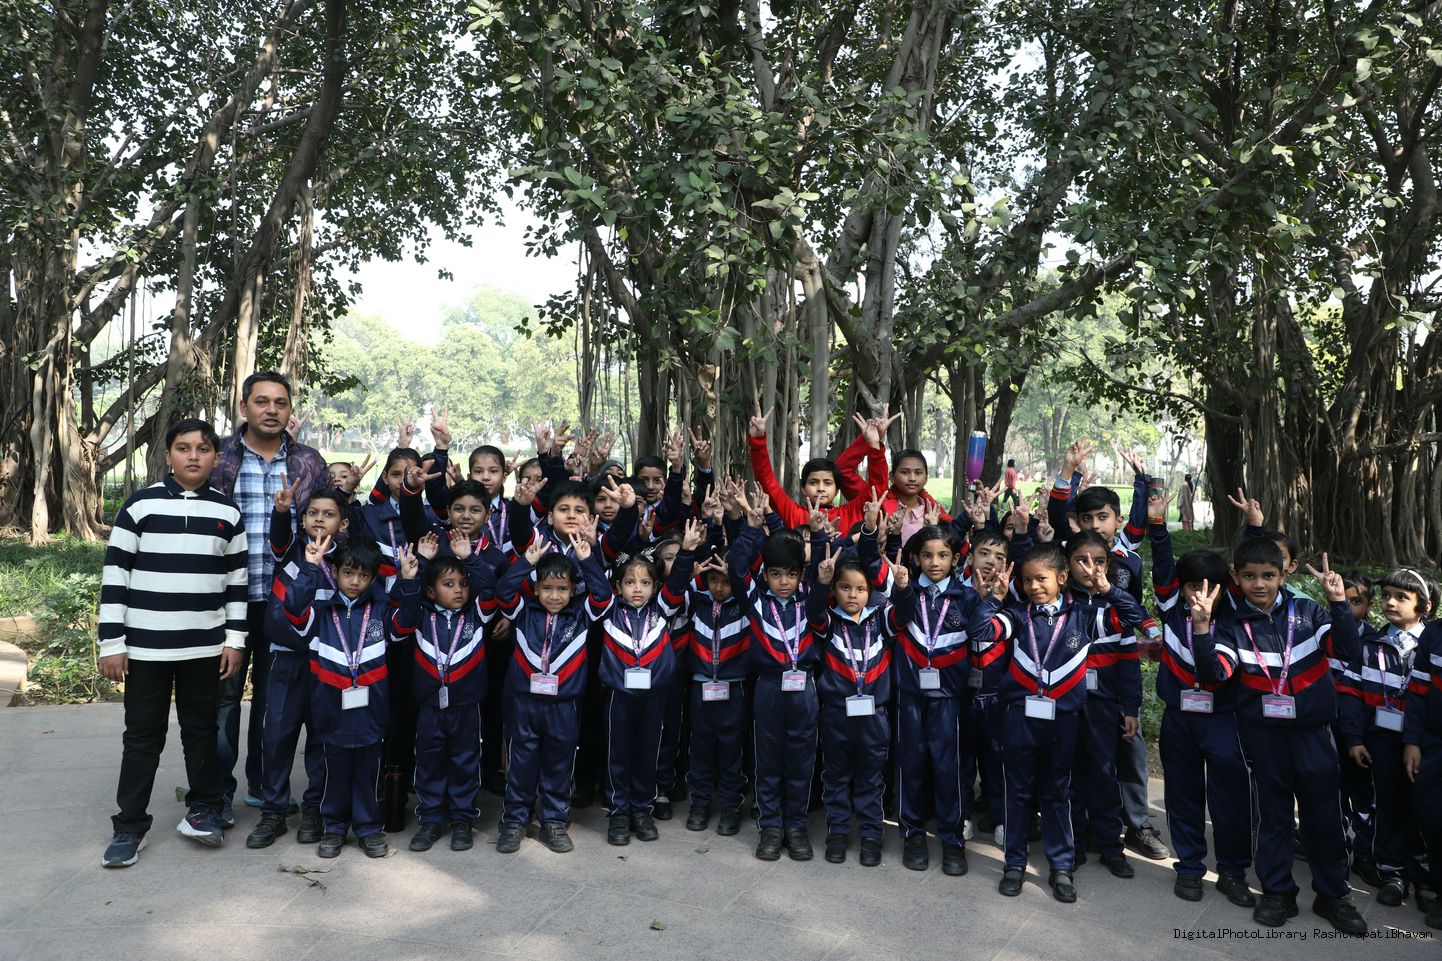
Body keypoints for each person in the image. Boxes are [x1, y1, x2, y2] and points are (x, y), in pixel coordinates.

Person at [1196, 540, 1366, 933]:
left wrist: (1338, 603)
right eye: (1250, 576)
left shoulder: (1307, 612)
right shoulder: (1232, 624)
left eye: (1268, 576)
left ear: (1283, 575)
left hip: (1313, 734)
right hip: (1264, 736)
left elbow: (1347, 649)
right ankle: (1277, 892)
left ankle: (1333, 895)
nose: (1260, 584)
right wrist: (1202, 629)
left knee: (1323, 817)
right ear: (1236, 577)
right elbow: (1215, 674)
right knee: (1274, 817)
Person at [99, 419, 248, 868]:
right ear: (168, 456)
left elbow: (237, 585)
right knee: (142, 737)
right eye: (183, 448)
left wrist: (234, 640)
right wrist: (112, 643)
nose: (193, 456)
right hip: (146, 649)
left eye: (203, 448)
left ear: (216, 457)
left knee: (201, 733)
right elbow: (115, 575)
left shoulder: (228, 513)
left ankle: (203, 810)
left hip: (204, 649)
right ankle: (129, 826)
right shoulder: (140, 506)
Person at [969, 544, 1142, 903]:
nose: (1033, 587)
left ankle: (1061, 866)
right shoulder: (1017, 615)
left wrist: (1108, 590)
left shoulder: (1084, 615)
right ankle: (1014, 864)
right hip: (1019, 718)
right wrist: (995, 597)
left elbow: (1132, 616)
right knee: (1017, 793)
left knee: (1057, 793)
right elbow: (981, 629)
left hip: (1062, 720)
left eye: (1041, 579)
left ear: (1062, 578)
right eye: (1026, 580)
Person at [210, 371, 327, 824]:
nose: (272, 410)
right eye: (262, 401)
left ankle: (262, 785)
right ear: (244, 407)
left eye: (280, 402)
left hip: (284, 603)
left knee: (270, 699)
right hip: (229, 600)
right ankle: (216, 793)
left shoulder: (307, 462)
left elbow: (328, 520)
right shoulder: (219, 456)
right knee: (223, 698)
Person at [1047, 441, 1169, 862]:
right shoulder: (1071, 554)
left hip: (1116, 657)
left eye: (1103, 517)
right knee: (1079, 755)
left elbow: (1132, 613)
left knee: (1127, 748)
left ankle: (1135, 823)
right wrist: (1068, 473)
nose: (1096, 525)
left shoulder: (1128, 562)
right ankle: (1078, 831)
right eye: (1087, 518)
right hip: (1073, 662)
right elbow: (1055, 516)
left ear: (1117, 520)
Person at [1148, 503, 1256, 907]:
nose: (1199, 594)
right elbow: (1163, 565)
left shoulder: (1233, 618)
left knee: (1229, 798)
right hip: (1179, 718)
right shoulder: (1171, 607)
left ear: (1225, 587)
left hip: (1222, 720)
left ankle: (1232, 872)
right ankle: (1190, 868)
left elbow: (1215, 673)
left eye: (1209, 586)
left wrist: (1203, 626)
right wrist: (1157, 523)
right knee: (1182, 794)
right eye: (1192, 585)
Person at [276, 534, 408, 859]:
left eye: (364, 575)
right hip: (331, 712)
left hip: (371, 713)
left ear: (373, 578)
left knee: (367, 774)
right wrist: (309, 568)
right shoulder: (320, 614)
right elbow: (293, 608)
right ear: (335, 573)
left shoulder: (381, 612)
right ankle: (334, 827)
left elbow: (408, 622)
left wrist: (409, 581)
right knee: (333, 775)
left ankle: (368, 829)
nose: (355, 581)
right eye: (348, 573)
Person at [492, 523, 614, 854]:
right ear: (536, 588)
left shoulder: (582, 614)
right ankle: (515, 820)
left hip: (564, 705)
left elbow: (603, 596)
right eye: (547, 588)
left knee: (559, 765)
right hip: (525, 703)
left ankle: (554, 820)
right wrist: (526, 562)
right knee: (521, 763)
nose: (555, 596)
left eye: (562, 589)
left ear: (573, 590)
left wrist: (587, 560)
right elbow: (503, 592)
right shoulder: (523, 611)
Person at [245, 486, 353, 849]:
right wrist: (281, 512)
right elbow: (278, 538)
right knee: (276, 736)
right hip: (287, 659)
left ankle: (314, 811)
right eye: (313, 513)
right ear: (303, 520)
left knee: (321, 738)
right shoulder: (291, 549)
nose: (320, 519)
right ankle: (273, 812)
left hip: (327, 663)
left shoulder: (347, 561)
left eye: (329, 514)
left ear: (343, 524)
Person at [729, 489, 826, 862]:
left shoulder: (811, 599)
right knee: (768, 759)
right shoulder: (756, 601)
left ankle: (796, 826)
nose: (783, 581)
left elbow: (823, 569)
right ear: (765, 575)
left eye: (790, 574)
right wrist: (752, 529)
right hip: (769, 687)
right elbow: (737, 570)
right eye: (775, 574)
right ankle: (770, 826)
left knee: (801, 760)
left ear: (801, 574)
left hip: (804, 688)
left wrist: (818, 534)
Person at [811, 525, 915, 867]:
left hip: (874, 715)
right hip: (836, 713)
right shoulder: (829, 621)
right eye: (844, 588)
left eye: (860, 589)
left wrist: (903, 589)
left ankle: (871, 834)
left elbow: (905, 614)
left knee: (871, 777)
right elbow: (813, 611)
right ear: (835, 590)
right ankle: (838, 832)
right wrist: (821, 583)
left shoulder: (881, 620)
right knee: (836, 775)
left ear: (871, 591)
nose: (852, 595)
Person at [1338, 568, 1438, 907]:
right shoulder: (1369, 646)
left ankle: (1424, 877)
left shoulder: (1432, 647)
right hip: (1380, 740)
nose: (1390, 602)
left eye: (1401, 597)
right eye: (1386, 596)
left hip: (1423, 744)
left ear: (1425, 606)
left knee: (1423, 808)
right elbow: (1350, 695)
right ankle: (1392, 873)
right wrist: (1354, 738)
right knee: (1386, 804)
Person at [397, 531, 500, 853]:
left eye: (463, 584)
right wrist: (414, 572)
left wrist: (470, 558)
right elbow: (404, 607)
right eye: (449, 584)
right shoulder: (419, 616)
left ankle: (462, 819)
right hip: (430, 705)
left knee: (466, 761)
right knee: (429, 761)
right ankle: (430, 819)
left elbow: (490, 587)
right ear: (430, 590)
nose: (458, 590)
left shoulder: (477, 614)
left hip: (467, 705)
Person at [598, 523, 697, 844]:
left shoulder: (662, 609)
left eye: (644, 583)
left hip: (654, 696)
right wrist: (587, 556)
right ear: (618, 587)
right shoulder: (609, 610)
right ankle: (618, 811)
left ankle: (642, 808)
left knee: (647, 752)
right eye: (629, 583)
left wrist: (688, 551)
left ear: (655, 587)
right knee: (618, 753)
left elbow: (678, 582)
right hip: (619, 695)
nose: (637, 589)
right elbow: (596, 583)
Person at [889, 517, 977, 876]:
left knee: (948, 768)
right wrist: (902, 591)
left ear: (955, 559)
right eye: (927, 555)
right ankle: (912, 833)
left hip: (949, 697)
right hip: (911, 694)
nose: (935, 562)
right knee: (910, 764)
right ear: (916, 558)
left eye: (943, 555)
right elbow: (896, 621)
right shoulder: (906, 591)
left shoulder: (967, 597)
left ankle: (952, 838)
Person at [1066, 531, 1148, 880]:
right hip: (1065, 703)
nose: (1090, 568)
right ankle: (1074, 843)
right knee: (1070, 774)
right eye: (1081, 561)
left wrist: (1130, 708)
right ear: (1066, 565)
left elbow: (1129, 663)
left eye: (1099, 561)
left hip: (1103, 705)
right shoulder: (1059, 602)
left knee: (1103, 772)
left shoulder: (1117, 606)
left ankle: (1111, 845)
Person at [746, 403, 892, 531]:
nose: (821, 488)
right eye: (813, 482)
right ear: (803, 489)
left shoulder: (850, 513)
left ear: (837, 490)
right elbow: (768, 485)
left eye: (828, 483)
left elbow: (877, 489)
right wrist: (758, 442)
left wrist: (873, 445)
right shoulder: (794, 513)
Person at [1404, 618, 1442, 930]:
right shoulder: (1435, 633)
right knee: (1432, 817)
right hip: (1434, 743)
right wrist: (1413, 741)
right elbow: (1417, 691)